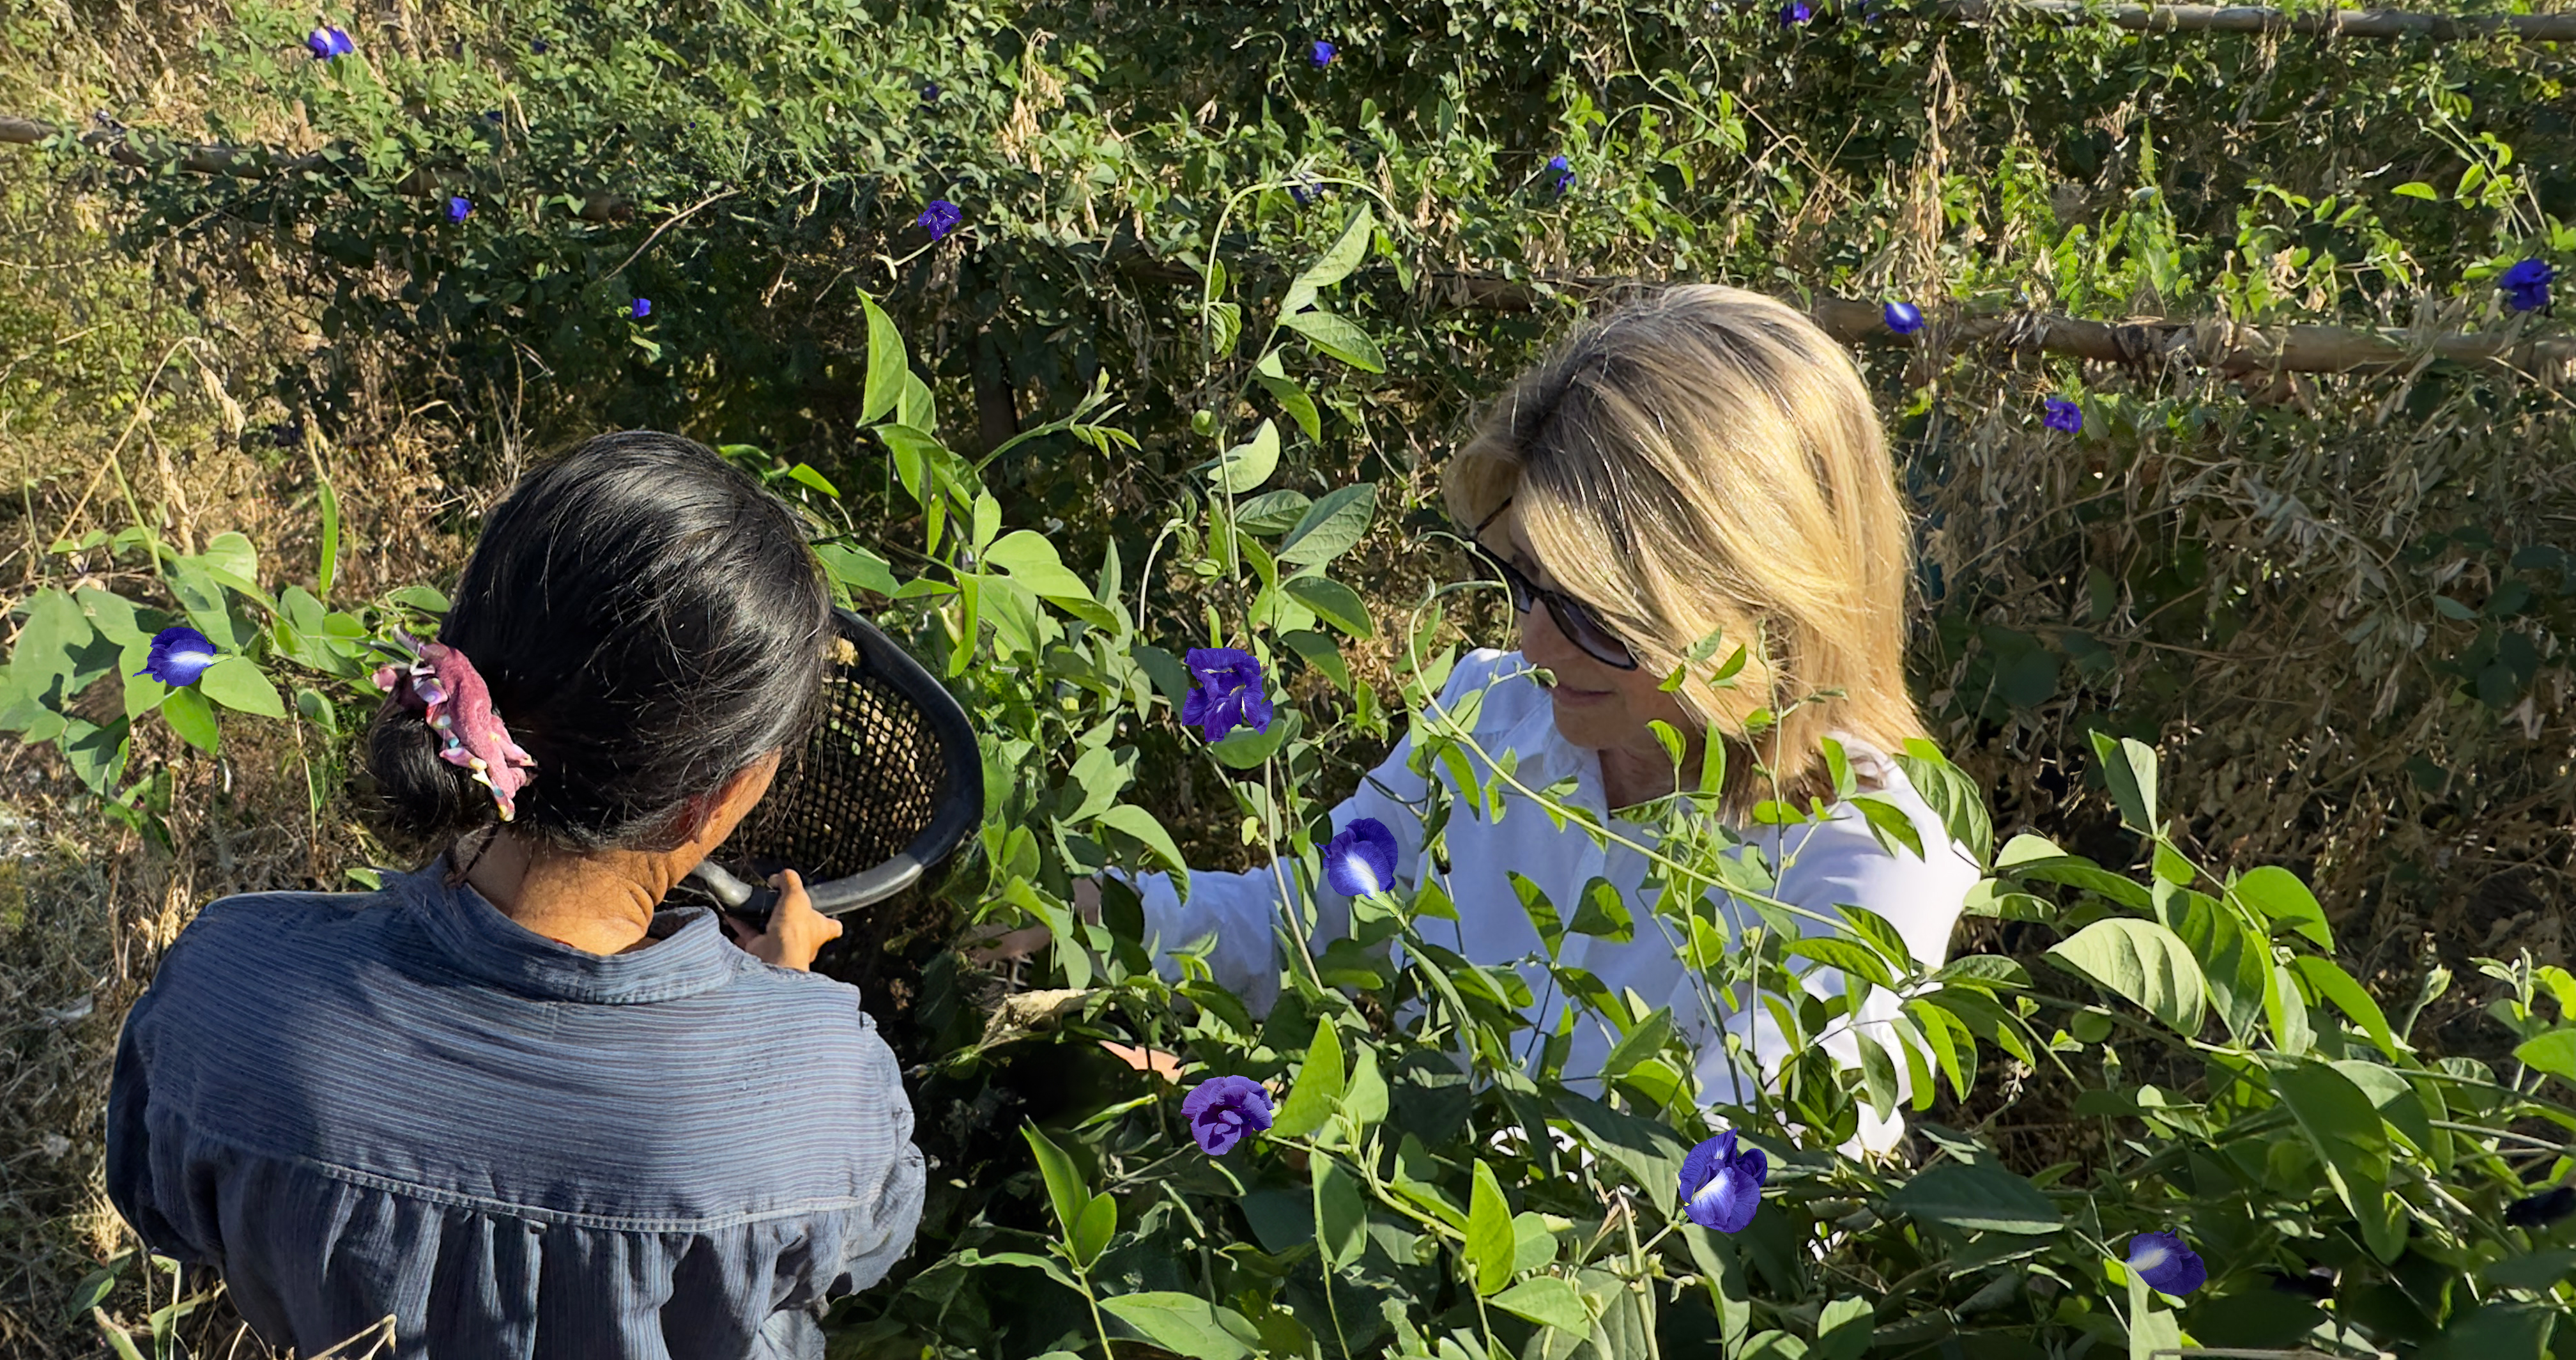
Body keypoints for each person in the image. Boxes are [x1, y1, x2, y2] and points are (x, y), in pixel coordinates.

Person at [1048, 285, 1983, 1153]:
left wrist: (1291, 1128)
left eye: (1598, 612)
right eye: (1530, 581)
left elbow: (1670, 1205)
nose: (1534, 645)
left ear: (1756, 605)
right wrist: (1102, 914)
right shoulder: (1493, 714)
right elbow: (1322, 913)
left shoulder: (1863, 870)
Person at [105, 432, 924, 1359]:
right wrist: (776, 1006)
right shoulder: (824, 1075)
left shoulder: (229, 984)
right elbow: (866, 1249)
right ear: (714, 796)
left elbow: (164, 1210)